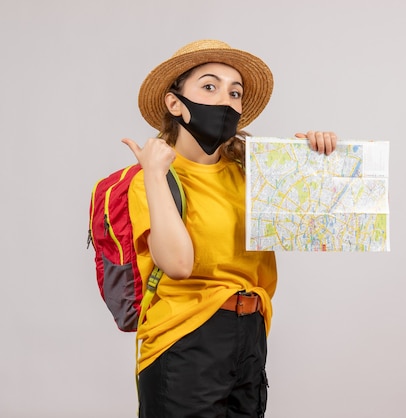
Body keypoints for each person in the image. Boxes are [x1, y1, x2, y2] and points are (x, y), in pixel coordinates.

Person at [121, 39, 337, 418]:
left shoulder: (254, 173)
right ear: (175, 104)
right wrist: (154, 174)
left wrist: (315, 161)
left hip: (251, 336)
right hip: (184, 339)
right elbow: (178, 265)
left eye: (234, 92)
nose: (225, 100)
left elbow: (324, 221)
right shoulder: (154, 180)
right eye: (209, 86)